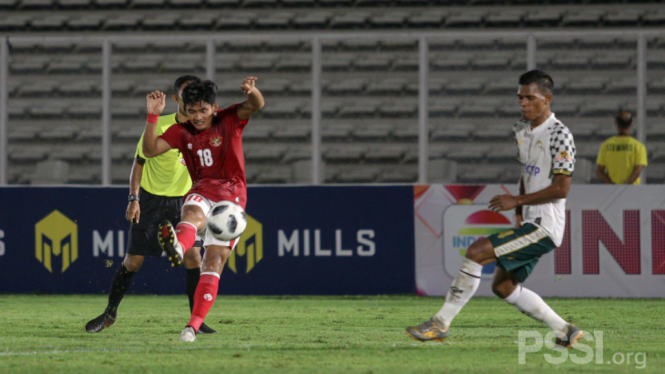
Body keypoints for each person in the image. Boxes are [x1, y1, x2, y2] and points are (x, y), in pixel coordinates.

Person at [406, 70, 582, 348]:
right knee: (503, 287)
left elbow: (562, 189)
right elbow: (527, 173)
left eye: (530, 98)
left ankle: (440, 324)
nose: (523, 103)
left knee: (476, 252)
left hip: (546, 225)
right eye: (520, 98)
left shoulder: (560, 135)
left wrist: (517, 201)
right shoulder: (521, 130)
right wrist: (520, 210)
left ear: (547, 99)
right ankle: (565, 330)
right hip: (530, 222)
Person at [85, 75, 216, 335]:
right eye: (187, 95)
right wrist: (134, 199)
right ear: (177, 99)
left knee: (193, 257)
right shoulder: (161, 125)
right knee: (133, 262)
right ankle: (110, 313)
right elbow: (139, 161)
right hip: (151, 199)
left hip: (184, 200)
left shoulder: (203, 128)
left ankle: (196, 321)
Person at [141, 77, 264, 342]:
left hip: (232, 199)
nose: (197, 116)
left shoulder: (229, 119)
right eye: (192, 110)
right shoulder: (180, 130)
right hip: (202, 190)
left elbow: (255, 104)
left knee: (214, 262)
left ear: (214, 107)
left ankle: (192, 327)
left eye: (203, 110)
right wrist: (153, 117)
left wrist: (252, 91)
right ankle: (178, 246)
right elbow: (150, 151)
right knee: (192, 215)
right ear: (184, 108)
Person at [596, 110, 648, 185]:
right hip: (632, 190)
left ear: (616, 124)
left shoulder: (606, 145)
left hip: (611, 191)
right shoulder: (639, 146)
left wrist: (613, 186)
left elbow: (599, 171)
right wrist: (624, 187)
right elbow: (637, 171)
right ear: (631, 124)